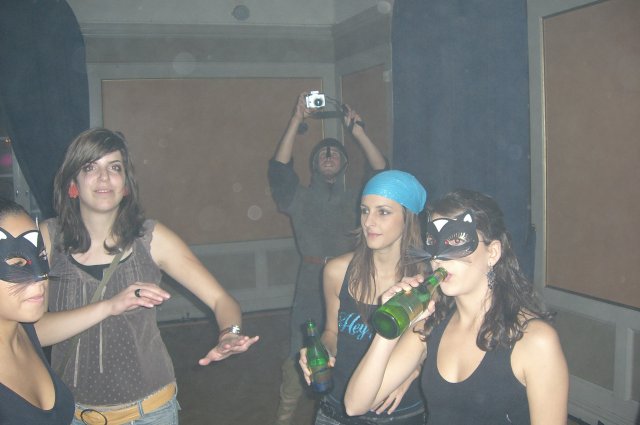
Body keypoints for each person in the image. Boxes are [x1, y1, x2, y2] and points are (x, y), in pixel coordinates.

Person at [40, 128, 259, 425]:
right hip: (73, 413)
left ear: (126, 185)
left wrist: (228, 334)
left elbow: (222, 299)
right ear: (72, 183)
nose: (104, 178)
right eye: (90, 167)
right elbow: (35, 331)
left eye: (114, 168)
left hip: (149, 413)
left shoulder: (151, 238)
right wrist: (109, 306)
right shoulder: (48, 239)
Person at [344, 189, 569, 425]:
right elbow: (355, 404)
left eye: (455, 241)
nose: (439, 258)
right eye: (433, 242)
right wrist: (390, 325)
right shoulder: (430, 325)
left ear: (492, 253)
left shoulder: (535, 340)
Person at [268, 92, 388, 425]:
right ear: (314, 165)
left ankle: (352, 405)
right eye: (323, 152)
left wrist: (358, 131)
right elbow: (279, 170)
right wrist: (296, 119)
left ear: (345, 164)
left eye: (335, 152)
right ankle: (285, 413)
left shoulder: (357, 199)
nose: (330, 154)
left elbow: (381, 170)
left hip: (353, 278)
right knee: (301, 346)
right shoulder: (299, 197)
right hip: (310, 282)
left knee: (353, 342)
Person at [299, 170, 429, 425]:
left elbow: (438, 344)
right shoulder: (337, 271)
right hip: (336, 409)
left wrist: (416, 369)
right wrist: (321, 352)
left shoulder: (426, 280)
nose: (369, 221)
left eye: (383, 212)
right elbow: (332, 332)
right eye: (364, 210)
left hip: (397, 414)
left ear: (408, 218)